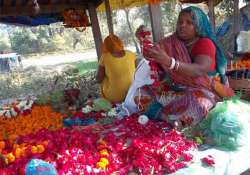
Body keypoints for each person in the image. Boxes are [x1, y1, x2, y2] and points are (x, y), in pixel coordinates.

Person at [134, 6, 234, 128]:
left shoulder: (205, 43)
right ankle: (167, 118)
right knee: (140, 93)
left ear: (198, 26)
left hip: (202, 90)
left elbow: (199, 69)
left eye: (189, 23)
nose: (182, 25)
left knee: (199, 103)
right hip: (176, 90)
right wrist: (151, 54)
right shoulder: (169, 42)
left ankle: (178, 120)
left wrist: (170, 62)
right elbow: (160, 65)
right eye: (180, 22)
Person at [96, 34, 136, 103]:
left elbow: (98, 79)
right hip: (132, 93)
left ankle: (110, 101)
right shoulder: (131, 54)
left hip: (115, 97)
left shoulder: (105, 57)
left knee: (103, 80)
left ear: (105, 45)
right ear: (120, 43)